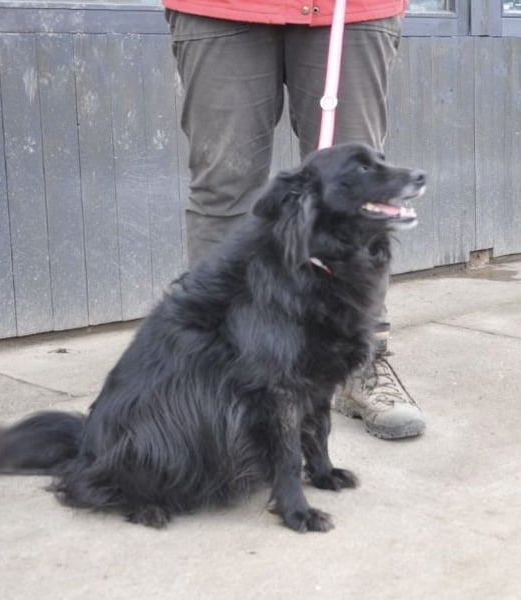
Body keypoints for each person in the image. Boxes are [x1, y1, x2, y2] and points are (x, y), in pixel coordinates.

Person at [163, 0, 425, 440]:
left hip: (350, 11)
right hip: (220, 8)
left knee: (359, 192)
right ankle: (216, 373)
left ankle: (357, 363)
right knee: (224, 187)